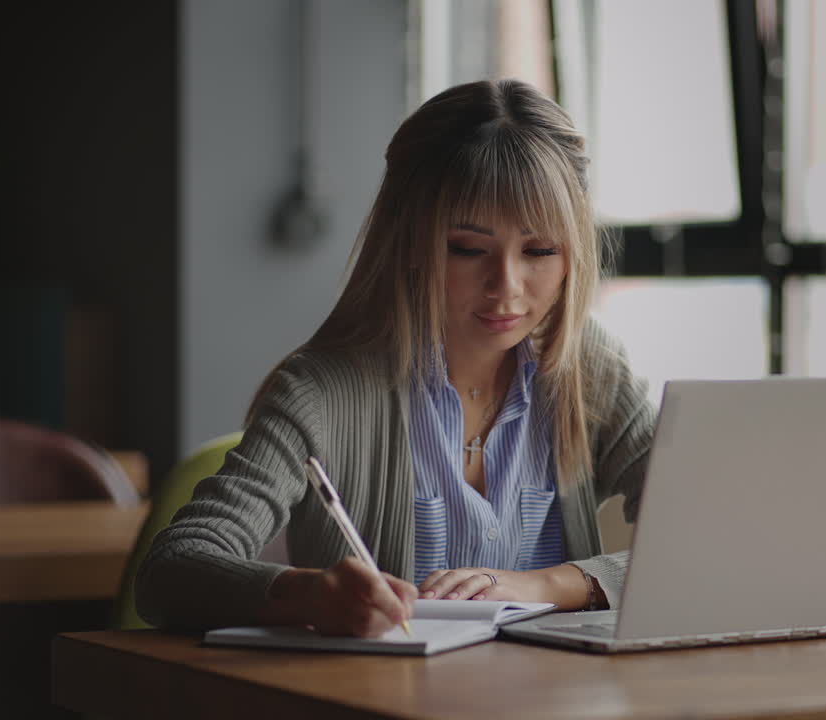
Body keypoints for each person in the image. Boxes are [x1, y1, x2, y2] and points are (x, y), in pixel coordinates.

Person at [137, 79, 655, 637]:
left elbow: (715, 543)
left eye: (539, 250)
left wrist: (546, 586)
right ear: (409, 239)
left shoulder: (593, 371)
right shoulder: (319, 393)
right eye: (468, 249)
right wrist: (306, 595)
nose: (506, 286)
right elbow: (171, 570)